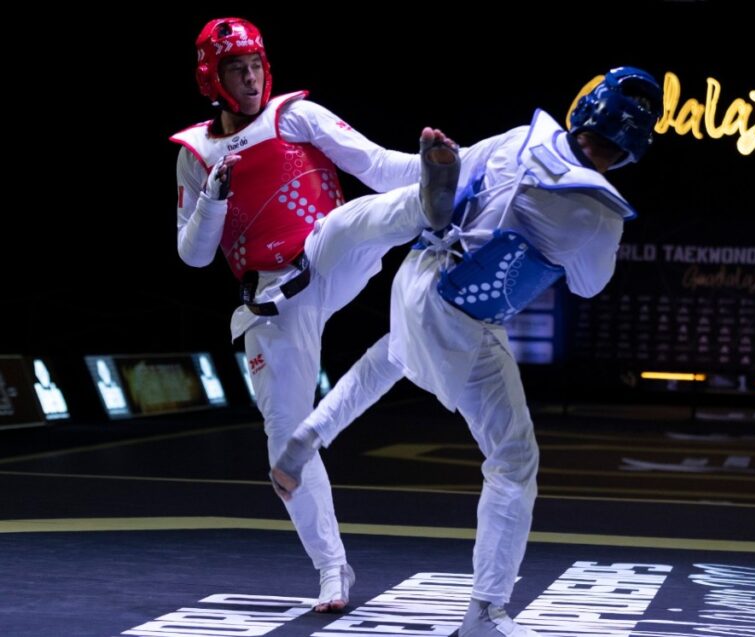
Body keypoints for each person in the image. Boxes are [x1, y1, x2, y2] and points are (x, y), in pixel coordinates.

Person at [271, 67, 663, 636]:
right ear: (633, 147)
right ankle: (486, 612)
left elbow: (440, 182)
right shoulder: (598, 211)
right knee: (513, 461)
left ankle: (300, 445)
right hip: (464, 316)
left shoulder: (517, 139)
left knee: (393, 355)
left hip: (415, 278)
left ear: (585, 108)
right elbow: (587, 285)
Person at [170, 17, 460, 613]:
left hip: (327, 254)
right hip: (274, 298)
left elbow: (378, 166)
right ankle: (332, 569)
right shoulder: (196, 156)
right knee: (285, 441)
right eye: (235, 68)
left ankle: (435, 201)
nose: (249, 77)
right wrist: (213, 199)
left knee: (350, 222)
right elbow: (194, 256)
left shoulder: (294, 115)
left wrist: (439, 160)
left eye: (254, 65)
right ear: (212, 78)